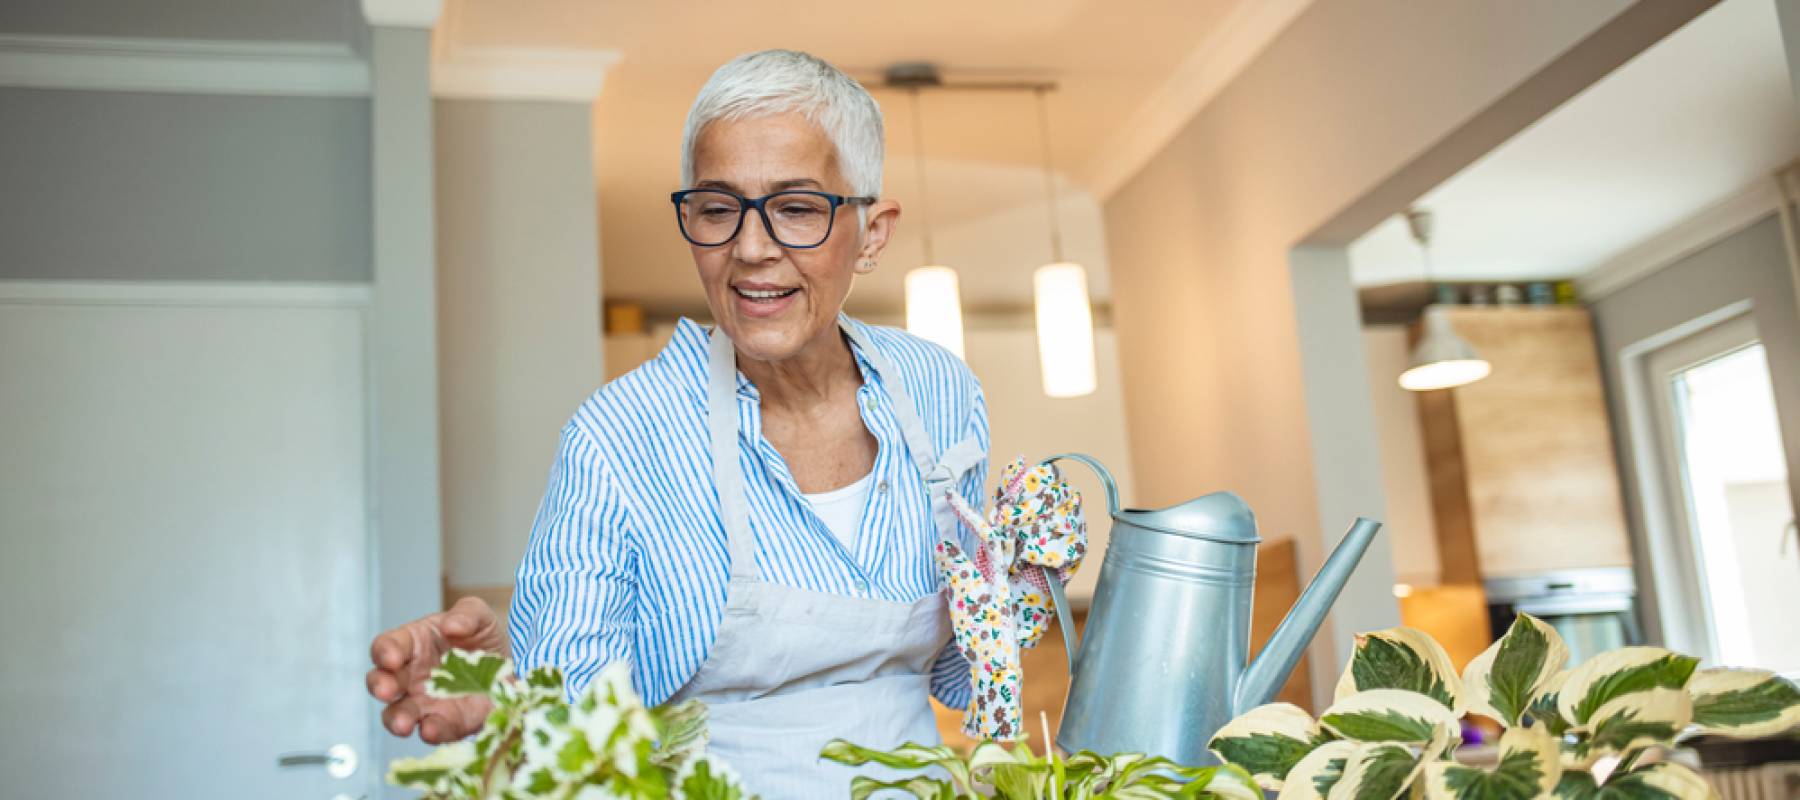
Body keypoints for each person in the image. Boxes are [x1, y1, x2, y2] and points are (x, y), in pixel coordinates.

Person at [365, 49, 991, 796]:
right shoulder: (619, 437)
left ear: (874, 232)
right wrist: (506, 690)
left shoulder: (940, 392)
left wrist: (1022, 580)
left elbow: (964, 665)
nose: (751, 249)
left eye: (796, 208)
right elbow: (571, 716)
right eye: (718, 209)